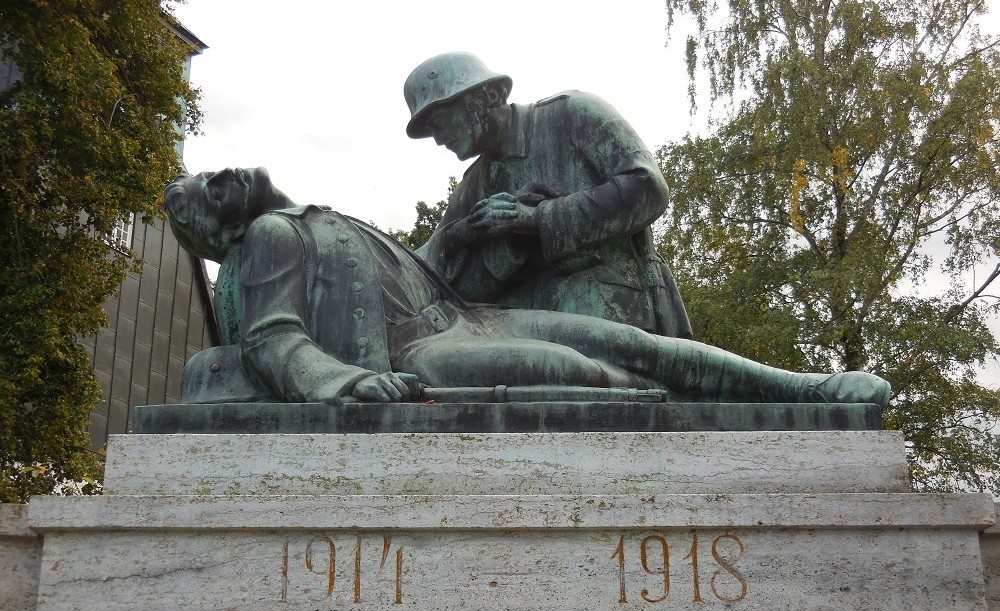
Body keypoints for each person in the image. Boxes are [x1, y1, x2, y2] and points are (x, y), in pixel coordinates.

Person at [163, 167, 890, 407]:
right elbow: (273, 338)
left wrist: (458, 238)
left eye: (211, 169)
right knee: (596, 374)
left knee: (638, 342)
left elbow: (414, 273)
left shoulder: (319, 217)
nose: (220, 175)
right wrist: (345, 384)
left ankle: (808, 390)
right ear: (214, 232)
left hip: (464, 315)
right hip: (424, 357)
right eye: (206, 191)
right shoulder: (267, 239)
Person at [404, 52, 691, 338]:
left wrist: (537, 218)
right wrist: (463, 232)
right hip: (522, 341)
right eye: (430, 131)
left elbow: (647, 186)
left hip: (609, 320)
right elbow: (423, 267)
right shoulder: (473, 184)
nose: (439, 140)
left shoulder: (572, 114)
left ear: (486, 97)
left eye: (439, 122)